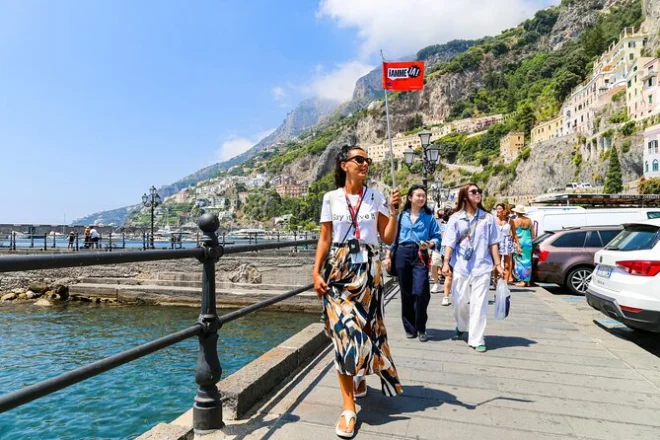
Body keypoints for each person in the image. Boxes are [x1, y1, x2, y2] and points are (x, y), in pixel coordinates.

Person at [312, 145, 402, 438]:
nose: (365, 164)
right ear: (344, 165)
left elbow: (387, 236)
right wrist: (316, 271)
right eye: (359, 159)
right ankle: (348, 408)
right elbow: (325, 238)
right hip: (339, 269)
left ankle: (360, 376)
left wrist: (394, 212)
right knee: (345, 337)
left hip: (369, 270)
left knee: (367, 330)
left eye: (367, 160)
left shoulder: (375, 196)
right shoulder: (331, 198)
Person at [442, 183, 503, 353]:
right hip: (461, 266)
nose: (478, 194)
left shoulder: (488, 218)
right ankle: (462, 325)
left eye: (479, 191)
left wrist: (498, 265)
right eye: (473, 192)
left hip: (482, 266)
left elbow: (493, 243)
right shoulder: (456, 218)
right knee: (459, 301)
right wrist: (446, 262)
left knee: (479, 304)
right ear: (464, 196)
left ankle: (477, 339)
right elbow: (449, 242)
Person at [385, 185, 442, 342]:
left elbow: (437, 237)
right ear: (410, 198)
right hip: (402, 253)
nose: (422, 198)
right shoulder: (400, 216)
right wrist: (388, 255)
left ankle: (421, 327)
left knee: (421, 291)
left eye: (424, 196)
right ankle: (410, 328)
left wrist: (430, 244)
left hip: (419, 254)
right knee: (406, 292)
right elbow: (393, 237)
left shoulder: (429, 218)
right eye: (418, 195)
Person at [494, 203, 519, 285]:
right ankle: (495, 280)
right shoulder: (494, 220)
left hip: (507, 242)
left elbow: (514, 233)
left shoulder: (510, 221)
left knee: (507, 265)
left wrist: (518, 245)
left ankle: (505, 283)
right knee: (496, 264)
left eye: (499, 209)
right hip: (497, 242)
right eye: (497, 209)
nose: (498, 210)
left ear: (504, 210)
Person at [512, 205, 535, 287]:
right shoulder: (529, 220)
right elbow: (532, 233)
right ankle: (527, 281)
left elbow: (513, 234)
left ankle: (522, 281)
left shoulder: (515, 221)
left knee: (519, 261)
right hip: (528, 242)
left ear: (516, 212)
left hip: (520, 242)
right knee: (527, 261)